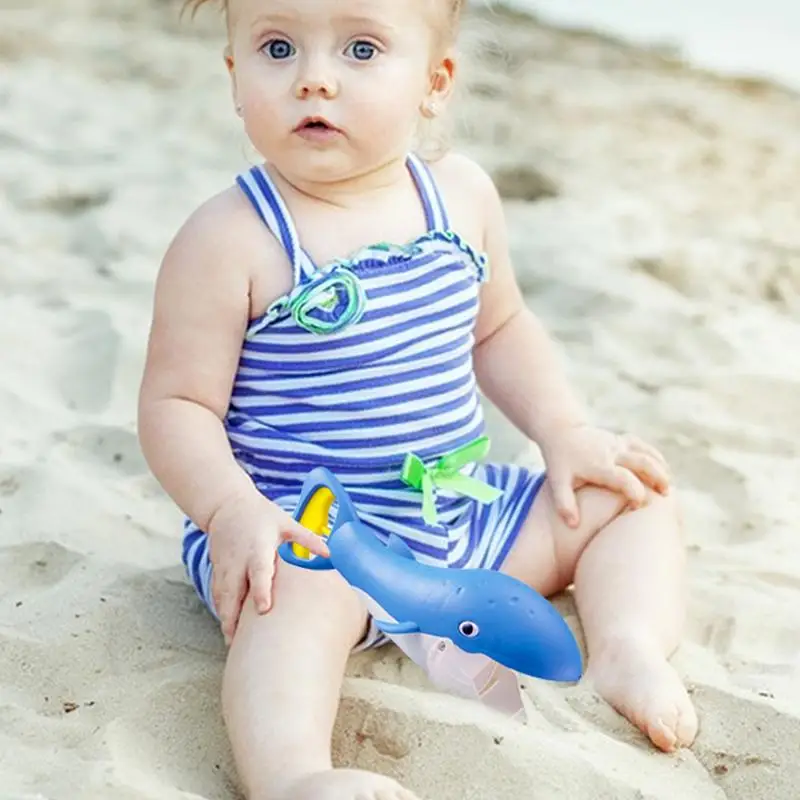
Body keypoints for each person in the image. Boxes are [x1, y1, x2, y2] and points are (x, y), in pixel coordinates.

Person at [137, 0, 699, 797]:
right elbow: (177, 404)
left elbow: (500, 328)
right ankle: (293, 774)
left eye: (362, 49)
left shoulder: (460, 196)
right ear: (234, 78)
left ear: (435, 82)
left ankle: (626, 646)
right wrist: (231, 511)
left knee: (634, 493)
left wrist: (565, 430)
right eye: (277, 47)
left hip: (458, 519)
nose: (314, 80)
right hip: (307, 534)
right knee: (289, 604)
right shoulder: (230, 238)